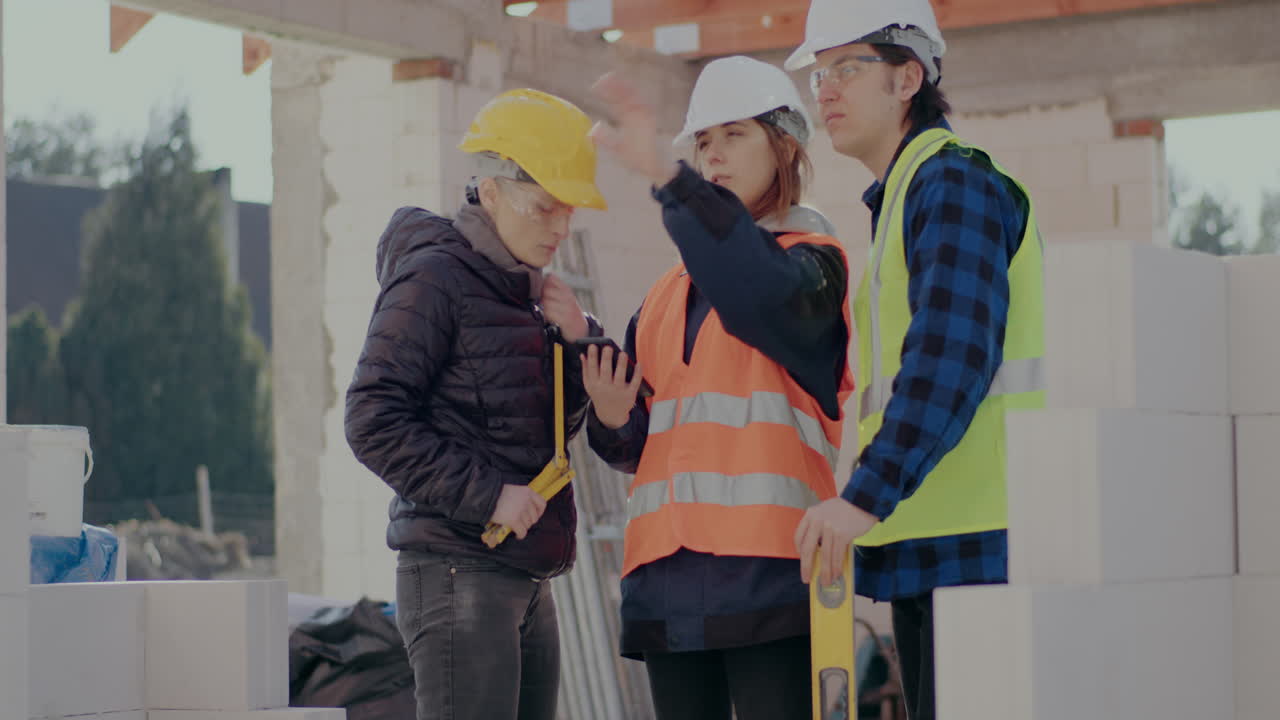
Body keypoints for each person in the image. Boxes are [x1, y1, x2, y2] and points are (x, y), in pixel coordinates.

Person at [784, 2, 1047, 719]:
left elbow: (951, 356)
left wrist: (863, 495)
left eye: (845, 67)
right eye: (819, 74)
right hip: (933, 541)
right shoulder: (904, 196)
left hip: (982, 548)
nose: (825, 89)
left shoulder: (952, 183)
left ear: (907, 78)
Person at [583, 56, 857, 720]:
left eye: (734, 135)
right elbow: (641, 447)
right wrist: (615, 420)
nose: (715, 157)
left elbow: (755, 293)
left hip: (772, 580)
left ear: (785, 145)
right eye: (703, 142)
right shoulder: (660, 297)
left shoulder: (814, 266)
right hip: (666, 586)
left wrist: (667, 178)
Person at [344, 88, 608, 720]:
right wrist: (490, 495)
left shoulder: (527, 290)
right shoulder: (436, 278)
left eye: (567, 211)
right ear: (490, 192)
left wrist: (578, 349)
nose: (560, 228)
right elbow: (371, 417)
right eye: (545, 208)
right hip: (457, 572)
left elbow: (545, 429)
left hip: (524, 573)